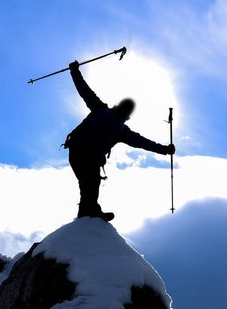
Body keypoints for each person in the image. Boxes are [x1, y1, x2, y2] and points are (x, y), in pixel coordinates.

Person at [64, 61, 176, 221]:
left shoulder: (100, 108)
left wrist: (75, 71)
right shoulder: (121, 129)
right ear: (129, 114)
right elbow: (143, 142)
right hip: (88, 156)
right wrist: (165, 150)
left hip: (76, 151)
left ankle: (89, 212)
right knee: (90, 183)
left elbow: (84, 90)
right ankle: (88, 213)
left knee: (89, 183)